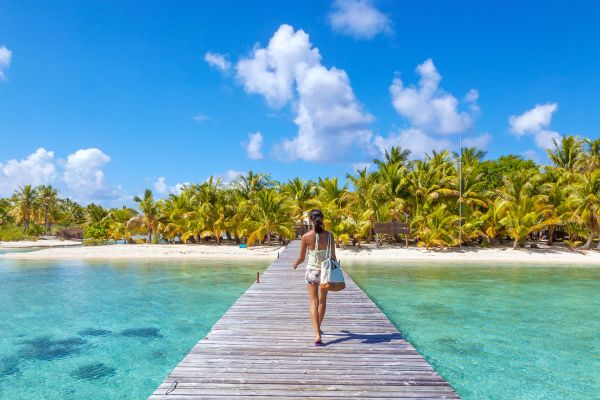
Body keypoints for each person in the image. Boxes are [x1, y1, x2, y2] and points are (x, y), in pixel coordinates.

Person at [292, 209, 336, 346]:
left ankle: (317, 333)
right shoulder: (329, 236)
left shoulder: (306, 236)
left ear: (311, 220)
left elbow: (301, 257)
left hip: (312, 272)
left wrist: (295, 264)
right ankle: (318, 328)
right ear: (322, 219)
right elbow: (333, 257)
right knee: (322, 301)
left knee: (313, 302)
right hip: (325, 272)